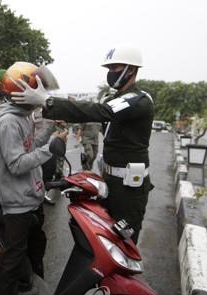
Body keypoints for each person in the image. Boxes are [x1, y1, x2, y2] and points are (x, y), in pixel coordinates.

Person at [12, 45, 154, 244]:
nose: (111, 74)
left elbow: (99, 111)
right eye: (109, 69)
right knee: (106, 236)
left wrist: (48, 101)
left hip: (129, 188)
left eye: (115, 68)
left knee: (124, 241)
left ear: (131, 69)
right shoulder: (115, 98)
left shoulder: (137, 100)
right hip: (110, 180)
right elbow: (91, 110)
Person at [0, 62, 66, 295]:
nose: (39, 96)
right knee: (11, 268)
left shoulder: (23, 117)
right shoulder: (9, 121)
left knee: (35, 256)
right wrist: (49, 150)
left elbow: (29, 150)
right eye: (37, 88)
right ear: (22, 89)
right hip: (17, 205)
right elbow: (17, 164)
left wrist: (50, 138)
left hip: (31, 199)